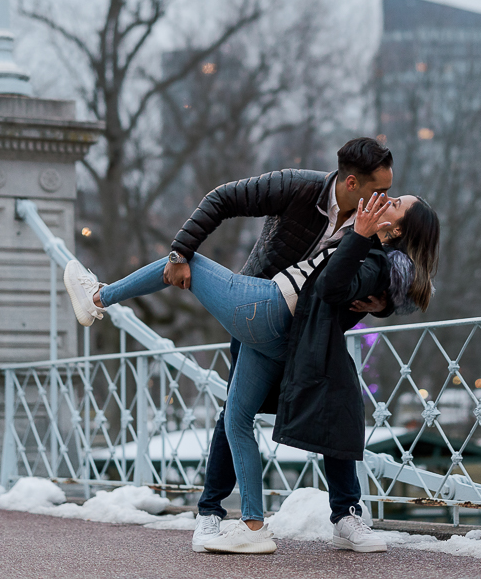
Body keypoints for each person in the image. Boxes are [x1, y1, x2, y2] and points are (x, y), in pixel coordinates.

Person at [63, 191, 439, 555]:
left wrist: (360, 239)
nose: (383, 200)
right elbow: (359, 286)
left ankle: (97, 297)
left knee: (184, 262)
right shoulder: (371, 249)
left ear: (397, 231)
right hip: (280, 335)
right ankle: (254, 526)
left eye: (394, 204)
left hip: (266, 307)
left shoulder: (372, 253)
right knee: (237, 419)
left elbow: (333, 284)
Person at [156, 139, 395, 552]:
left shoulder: (371, 223)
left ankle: (347, 517)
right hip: (258, 315)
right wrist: (181, 251)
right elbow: (222, 198)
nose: (385, 199)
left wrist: (385, 305)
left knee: (333, 405)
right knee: (235, 412)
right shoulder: (297, 187)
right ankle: (211, 513)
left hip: (313, 331)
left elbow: (382, 278)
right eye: (380, 190)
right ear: (352, 183)